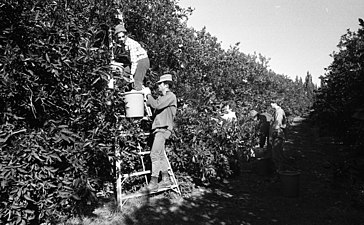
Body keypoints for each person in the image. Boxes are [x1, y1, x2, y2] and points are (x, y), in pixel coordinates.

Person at [140, 74, 177, 191]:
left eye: (160, 84)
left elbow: (156, 105)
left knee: (154, 154)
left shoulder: (170, 96)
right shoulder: (162, 97)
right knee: (160, 155)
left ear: (166, 85)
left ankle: (153, 182)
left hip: (163, 129)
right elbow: (156, 107)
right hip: (159, 129)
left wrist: (148, 94)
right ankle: (166, 179)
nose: (158, 86)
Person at [114, 24, 150, 91]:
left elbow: (134, 61)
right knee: (124, 74)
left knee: (137, 81)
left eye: (123, 36)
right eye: (119, 37)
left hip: (142, 61)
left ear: (126, 35)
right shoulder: (122, 45)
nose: (121, 39)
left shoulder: (131, 44)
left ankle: (138, 96)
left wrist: (132, 74)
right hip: (134, 62)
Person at [269, 102, 287, 172]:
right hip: (277, 134)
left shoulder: (279, 112)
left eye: (271, 103)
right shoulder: (278, 111)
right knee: (278, 153)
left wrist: (271, 135)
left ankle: (280, 171)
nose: (270, 105)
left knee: (277, 154)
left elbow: (277, 124)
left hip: (277, 134)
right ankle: (280, 171)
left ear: (275, 103)